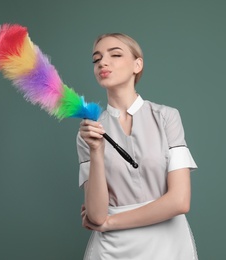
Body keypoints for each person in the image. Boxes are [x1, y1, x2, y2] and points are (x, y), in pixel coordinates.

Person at [77, 33, 198, 260]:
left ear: (137, 64)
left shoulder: (166, 117)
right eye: (97, 59)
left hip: (168, 246)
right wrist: (95, 150)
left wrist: (110, 222)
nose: (103, 62)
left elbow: (180, 201)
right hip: (111, 250)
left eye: (115, 54)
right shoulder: (90, 132)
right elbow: (95, 214)